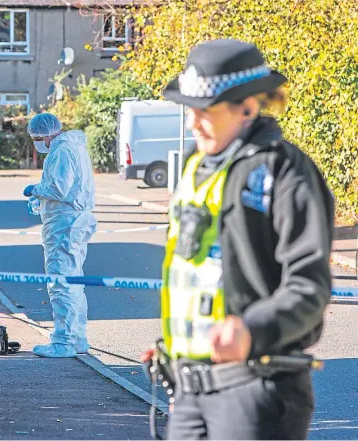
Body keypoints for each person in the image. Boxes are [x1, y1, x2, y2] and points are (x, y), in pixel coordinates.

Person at [158, 39, 335, 439]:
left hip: (256, 391)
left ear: (249, 107)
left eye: (205, 112)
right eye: (189, 110)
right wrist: (175, 345)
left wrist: (251, 329)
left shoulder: (285, 170)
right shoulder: (194, 164)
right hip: (189, 390)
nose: (193, 123)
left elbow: (310, 286)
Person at [24, 112, 97, 358]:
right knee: (74, 281)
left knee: (60, 281)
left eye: (35, 138)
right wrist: (40, 199)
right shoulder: (74, 147)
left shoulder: (61, 151)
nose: (35, 142)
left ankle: (63, 342)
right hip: (74, 220)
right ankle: (78, 337)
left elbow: (58, 188)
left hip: (64, 224)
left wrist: (34, 189)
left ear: (45, 135)